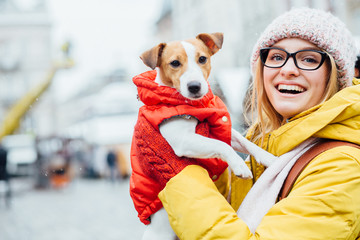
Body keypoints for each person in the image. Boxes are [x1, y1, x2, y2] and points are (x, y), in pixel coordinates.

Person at [145, 8, 360, 239]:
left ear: (336, 75)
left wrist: (176, 173)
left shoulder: (343, 166)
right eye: (276, 57)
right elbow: (224, 213)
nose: (288, 70)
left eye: (309, 59)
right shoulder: (263, 143)